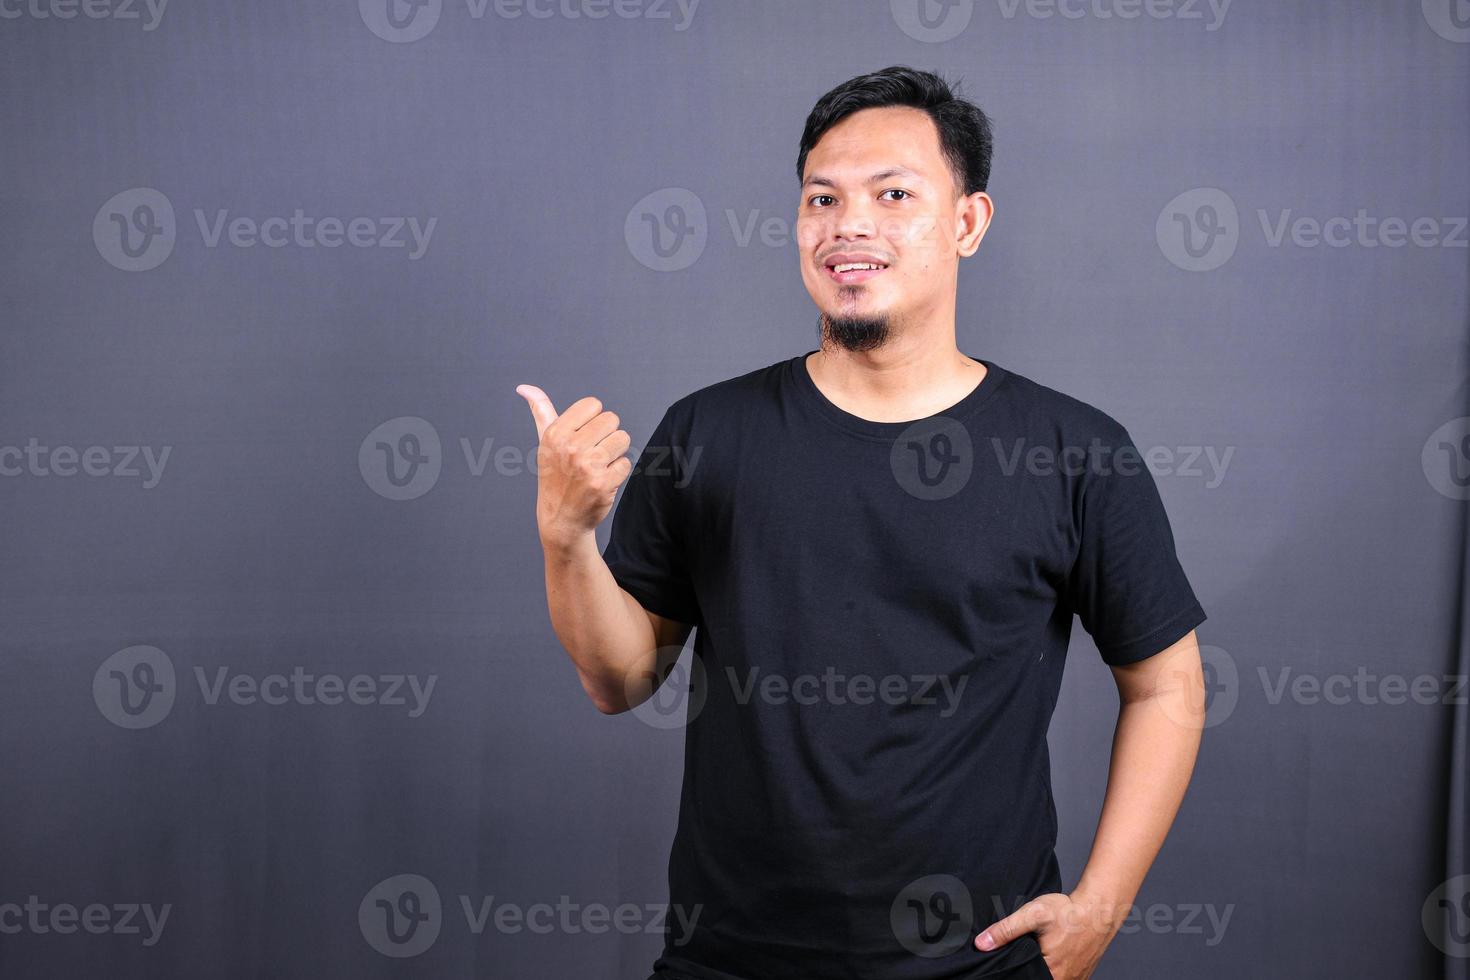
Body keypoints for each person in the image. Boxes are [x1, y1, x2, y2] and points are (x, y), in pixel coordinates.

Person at [516, 65, 1208, 980]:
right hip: (730, 961)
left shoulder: (1073, 450)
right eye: (822, 198)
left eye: (893, 194)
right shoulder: (707, 433)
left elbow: (1167, 688)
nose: (849, 225)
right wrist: (566, 540)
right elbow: (622, 677)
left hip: (980, 964)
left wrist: (1099, 910)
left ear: (967, 222)